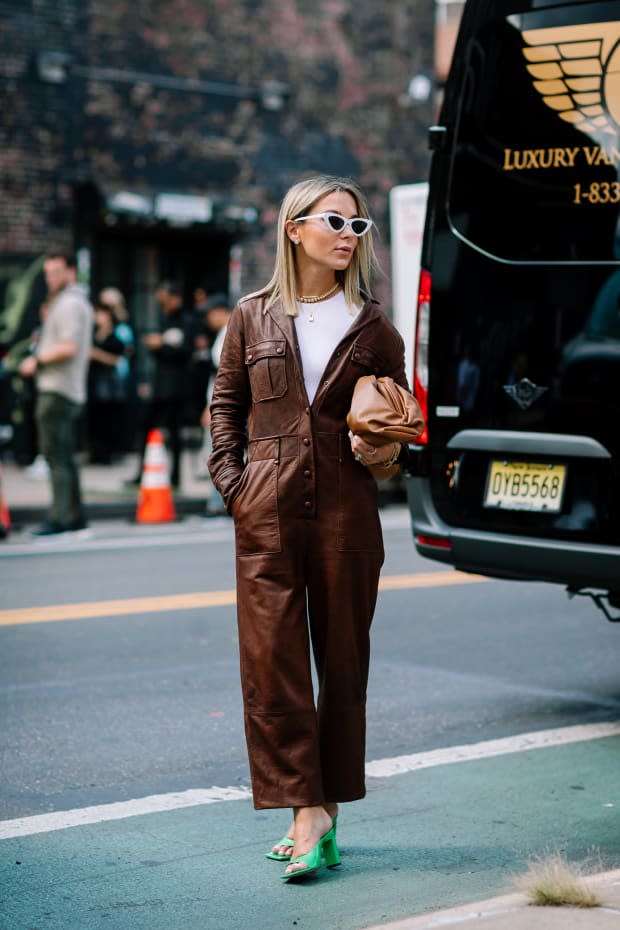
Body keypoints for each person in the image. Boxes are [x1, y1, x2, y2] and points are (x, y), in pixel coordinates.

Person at [208, 176, 409, 881]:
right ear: (295, 229)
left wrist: (386, 444)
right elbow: (225, 407)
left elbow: (398, 422)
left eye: (360, 227)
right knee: (273, 667)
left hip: (348, 511)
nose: (349, 236)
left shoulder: (375, 327)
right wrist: (235, 486)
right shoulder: (252, 316)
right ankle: (306, 811)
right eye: (335, 221)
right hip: (265, 506)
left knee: (342, 666)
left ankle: (320, 812)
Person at [18, 251, 93, 536]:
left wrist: (35, 360)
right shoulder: (70, 302)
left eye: (56, 271)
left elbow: (68, 347)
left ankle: (60, 519)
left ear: (71, 272)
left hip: (57, 389)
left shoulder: (70, 303)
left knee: (55, 457)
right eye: (48, 272)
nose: (51, 278)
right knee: (64, 456)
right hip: (66, 389)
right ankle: (74, 517)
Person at [128, 280, 194, 489]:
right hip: (159, 384)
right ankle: (143, 470)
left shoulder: (187, 321)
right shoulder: (162, 319)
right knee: (146, 426)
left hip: (176, 386)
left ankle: (175, 476)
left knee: (174, 433)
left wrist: (162, 344)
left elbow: (186, 351)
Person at [87, 300, 126, 463]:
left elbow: (117, 359)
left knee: (108, 419)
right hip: (93, 380)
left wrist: (96, 354)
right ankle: (95, 452)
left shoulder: (115, 338)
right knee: (94, 419)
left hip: (108, 382)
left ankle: (108, 453)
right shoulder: (92, 335)